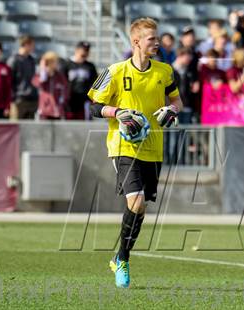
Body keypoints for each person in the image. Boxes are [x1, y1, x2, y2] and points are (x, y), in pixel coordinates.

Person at [87, 17, 183, 288]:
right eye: (152, 38)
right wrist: (118, 112)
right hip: (123, 145)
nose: (157, 42)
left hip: (153, 148)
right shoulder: (115, 70)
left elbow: (176, 100)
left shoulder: (164, 71)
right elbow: (94, 106)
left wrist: (172, 110)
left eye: (157, 37)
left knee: (139, 209)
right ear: (136, 42)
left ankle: (120, 256)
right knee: (137, 202)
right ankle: (124, 261)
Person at [62, 41, 97, 120]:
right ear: (77, 50)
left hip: (85, 101)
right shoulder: (67, 64)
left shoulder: (90, 66)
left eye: (87, 50)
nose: (85, 52)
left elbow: (95, 83)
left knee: (85, 124)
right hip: (70, 101)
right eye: (84, 50)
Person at [7, 35, 38, 119]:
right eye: (32, 45)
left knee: (30, 129)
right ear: (26, 44)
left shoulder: (31, 60)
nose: (33, 47)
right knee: (16, 128)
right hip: (19, 100)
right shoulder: (14, 60)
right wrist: (13, 98)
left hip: (32, 100)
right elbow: (9, 81)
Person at [32, 51, 69, 120]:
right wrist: (44, 71)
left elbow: (65, 90)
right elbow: (38, 83)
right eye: (52, 62)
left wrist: (62, 101)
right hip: (44, 111)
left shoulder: (60, 76)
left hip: (57, 111)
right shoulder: (41, 75)